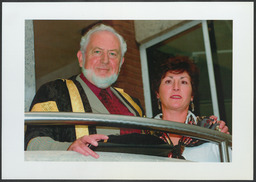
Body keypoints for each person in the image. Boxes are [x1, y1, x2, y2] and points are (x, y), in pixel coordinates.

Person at [25, 24, 144, 158]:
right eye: (97, 52)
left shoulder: (134, 104)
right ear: (81, 58)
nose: (105, 60)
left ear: (121, 62)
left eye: (112, 54)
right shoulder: (54, 92)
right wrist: (69, 149)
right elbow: (32, 143)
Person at [145, 56, 231, 162]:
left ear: (192, 95)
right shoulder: (144, 135)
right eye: (168, 81)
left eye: (183, 82)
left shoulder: (211, 132)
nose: (176, 87)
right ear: (157, 93)